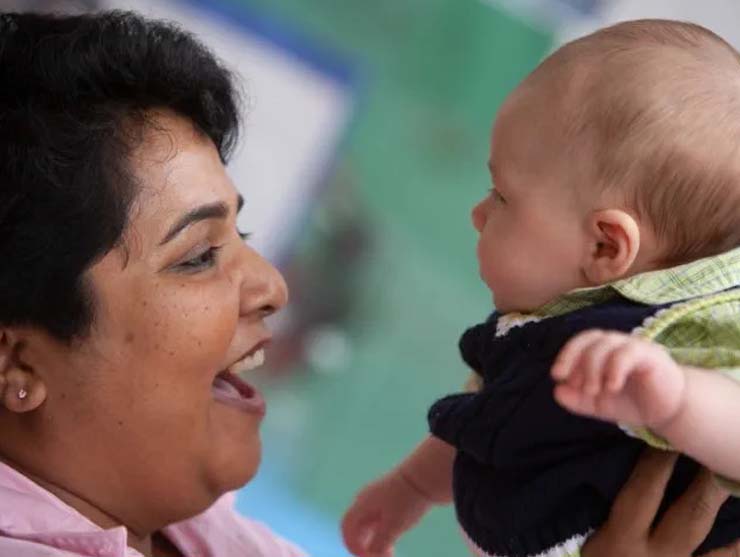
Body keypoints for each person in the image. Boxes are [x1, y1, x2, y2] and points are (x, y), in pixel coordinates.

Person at [0, 11, 736, 557]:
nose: (271, 285)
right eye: (197, 255)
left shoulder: (187, 528)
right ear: (17, 363)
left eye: (242, 237)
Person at [342, 19, 740, 557]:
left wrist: (676, 399)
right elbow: (482, 421)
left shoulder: (666, 344)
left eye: (502, 196)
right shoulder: (536, 331)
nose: (478, 214)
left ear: (604, 246)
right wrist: (409, 489)